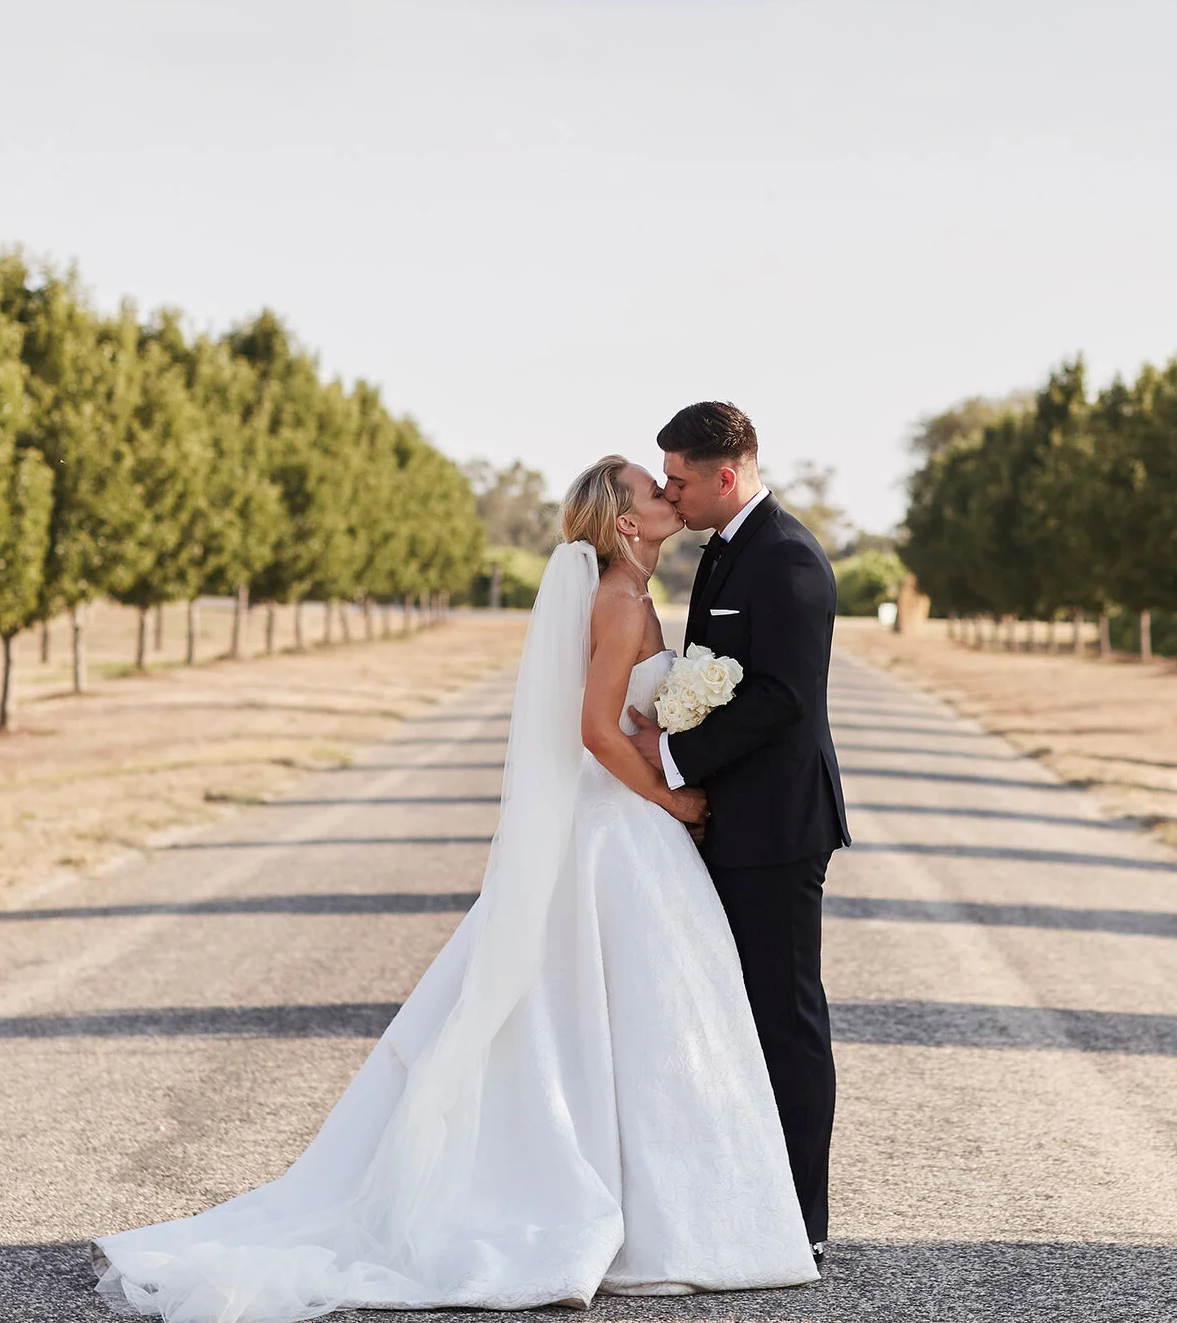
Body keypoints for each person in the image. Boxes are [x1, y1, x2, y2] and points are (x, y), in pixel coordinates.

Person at [95, 455, 816, 1322]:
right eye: (650, 488)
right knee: (623, 1010)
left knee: (617, 1014)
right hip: (622, 826)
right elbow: (593, 731)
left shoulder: (630, 592)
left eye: (671, 483)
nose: (667, 495)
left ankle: (649, 1194)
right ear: (625, 523)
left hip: (623, 824)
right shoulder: (620, 602)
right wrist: (668, 794)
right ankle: (653, 1210)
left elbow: (619, 716)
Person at [628, 400, 849, 1257]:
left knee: (785, 1019)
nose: (671, 495)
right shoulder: (724, 551)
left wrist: (673, 760)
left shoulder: (787, 559)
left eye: (680, 481)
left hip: (777, 828)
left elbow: (784, 697)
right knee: (730, 1015)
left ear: (727, 476)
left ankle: (803, 1225)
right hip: (731, 823)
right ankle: (746, 1203)